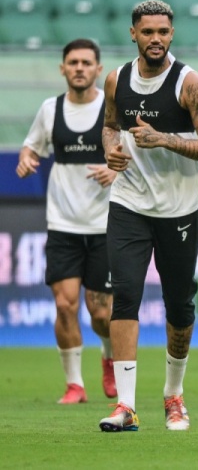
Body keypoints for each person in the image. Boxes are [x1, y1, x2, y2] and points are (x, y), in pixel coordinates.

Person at [98, 0, 198, 432]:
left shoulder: (190, 83)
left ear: (172, 34)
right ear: (133, 33)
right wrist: (111, 150)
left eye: (163, 32)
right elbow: (110, 124)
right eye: (148, 32)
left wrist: (164, 139)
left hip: (179, 207)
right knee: (125, 295)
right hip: (129, 201)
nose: (156, 39)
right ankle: (126, 406)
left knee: (179, 304)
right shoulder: (116, 79)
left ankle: (173, 395)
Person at [16, 39, 117, 404]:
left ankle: (109, 356)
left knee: (102, 313)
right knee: (64, 305)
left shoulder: (112, 110)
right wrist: (26, 158)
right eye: (73, 62)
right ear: (63, 69)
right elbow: (31, 145)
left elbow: (134, 155)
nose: (79, 68)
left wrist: (115, 169)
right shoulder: (50, 109)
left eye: (86, 62)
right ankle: (75, 384)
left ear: (98, 69)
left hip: (104, 225)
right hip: (62, 224)